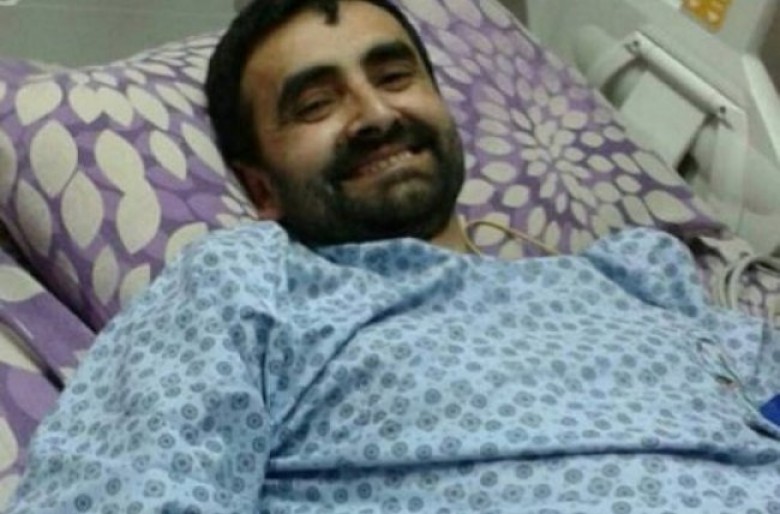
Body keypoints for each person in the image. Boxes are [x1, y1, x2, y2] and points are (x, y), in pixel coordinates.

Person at [7, 1, 780, 513]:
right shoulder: (248, 288)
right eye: (316, 103)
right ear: (260, 188)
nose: (375, 113)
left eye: (395, 76)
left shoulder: (636, 275)